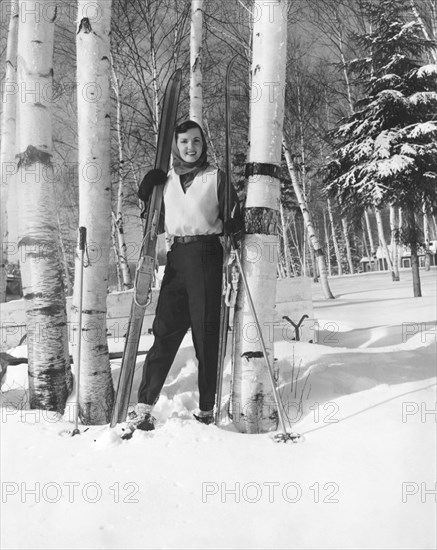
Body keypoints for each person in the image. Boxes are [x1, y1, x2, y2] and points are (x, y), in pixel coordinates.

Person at [127, 120, 243, 432]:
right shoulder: (166, 181)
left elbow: (235, 215)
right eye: (183, 142)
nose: (190, 147)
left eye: (195, 141)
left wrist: (234, 226)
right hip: (176, 257)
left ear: (203, 144)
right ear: (176, 146)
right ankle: (143, 406)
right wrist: (146, 191)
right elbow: (157, 223)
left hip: (206, 253)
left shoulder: (215, 177)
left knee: (205, 335)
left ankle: (207, 408)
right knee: (165, 330)